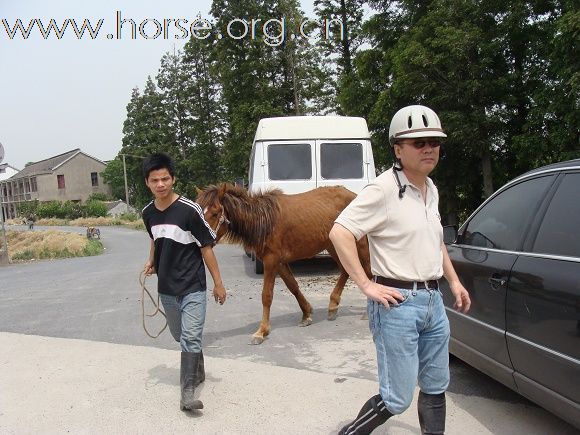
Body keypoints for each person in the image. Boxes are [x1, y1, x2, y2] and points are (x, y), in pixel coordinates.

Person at [329, 105, 471, 435]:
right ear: (397, 149)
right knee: (397, 398)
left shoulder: (430, 188)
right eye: (418, 142)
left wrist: (454, 280)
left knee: (436, 385)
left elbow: (434, 238)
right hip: (397, 304)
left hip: (433, 301)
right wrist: (366, 284)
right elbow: (340, 231)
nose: (428, 148)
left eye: (434, 142)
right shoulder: (383, 189)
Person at [142, 152, 227, 411]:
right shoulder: (148, 213)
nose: (161, 184)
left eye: (165, 179)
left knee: (190, 336)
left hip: (192, 285)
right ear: (148, 182)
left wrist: (218, 283)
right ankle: (197, 368)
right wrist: (152, 261)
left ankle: (187, 393)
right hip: (167, 288)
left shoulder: (190, 210)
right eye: (155, 180)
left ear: (173, 179)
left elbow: (206, 247)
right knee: (180, 335)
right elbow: (156, 240)